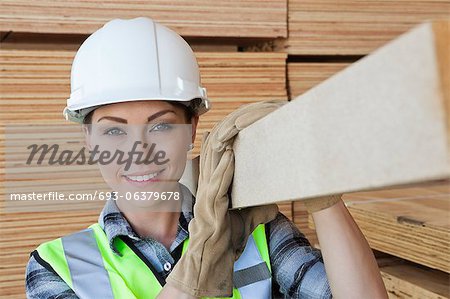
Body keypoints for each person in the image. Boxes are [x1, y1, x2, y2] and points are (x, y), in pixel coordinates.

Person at [25, 17, 388, 299]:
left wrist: (320, 189)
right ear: (89, 138)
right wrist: (192, 274)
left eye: (161, 127)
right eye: (115, 130)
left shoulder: (255, 230)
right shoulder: (58, 266)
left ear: (192, 130)